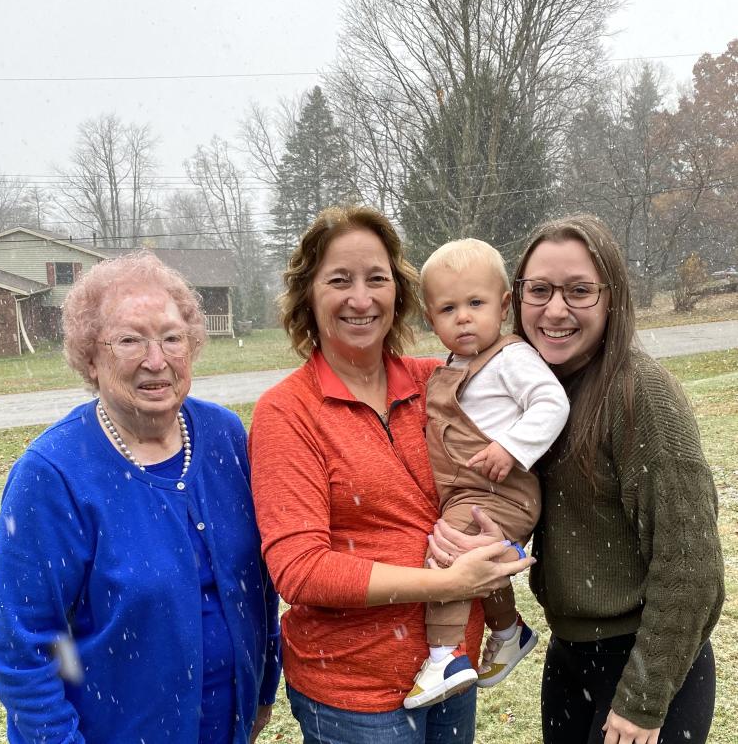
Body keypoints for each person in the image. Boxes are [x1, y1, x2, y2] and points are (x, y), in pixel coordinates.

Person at [248, 206, 534, 744]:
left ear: (398, 292)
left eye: (376, 278)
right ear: (308, 295)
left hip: (452, 669)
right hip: (355, 690)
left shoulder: (441, 383)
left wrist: (501, 538)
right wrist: (448, 583)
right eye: (339, 280)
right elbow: (300, 570)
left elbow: (510, 465)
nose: (361, 299)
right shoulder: (288, 412)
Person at [436, 214, 724, 744]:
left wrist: (643, 700)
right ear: (514, 299)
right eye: (539, 290)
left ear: (612, 298)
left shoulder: (642, 395)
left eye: (579, 291)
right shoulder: (531, 393)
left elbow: (692, 568)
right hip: (569, 659)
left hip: (642, 663)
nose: (556, 309)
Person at [0, 251, 281, 744]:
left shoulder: (225, 435)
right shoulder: (53, 473)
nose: (156, 359)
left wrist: (263, 689)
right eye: (129, 340)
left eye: (172, 337)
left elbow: (256, 585)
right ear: (90, 356)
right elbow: (22, 647)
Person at [403, 239, 569, 710]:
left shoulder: (511, 358)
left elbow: (551, 403)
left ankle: (444, 657)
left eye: (475, 303)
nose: (463, 317)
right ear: (430, 319)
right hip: (472, 489)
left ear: (503, 305)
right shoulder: (450, 367)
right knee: (478, 556)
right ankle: (508, 629)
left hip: (504, 488)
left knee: (447, 556)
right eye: (447, 308)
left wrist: (513, 446)